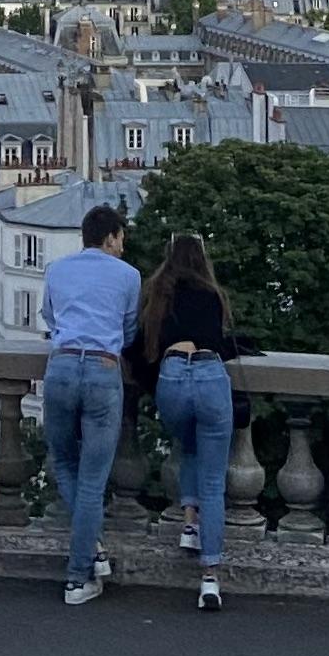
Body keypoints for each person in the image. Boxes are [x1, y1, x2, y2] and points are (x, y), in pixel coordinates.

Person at [43, 202, 141, 604]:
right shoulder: (129, 275)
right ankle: (78, 575)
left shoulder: (56, 270)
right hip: (103, 371)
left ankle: (93, 547)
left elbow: (50, 318)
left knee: (64, 462)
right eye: (121, 239)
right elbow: (129, 328)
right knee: (93, 481)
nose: (122, 246)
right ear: (110, 237)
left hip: (61, 367)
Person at [136, 231, 238, 612]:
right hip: (210, 375)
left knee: (189, 443)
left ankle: (190, 521)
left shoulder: (158, 295)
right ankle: (209, 580)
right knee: (214, 482)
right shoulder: (213, 295)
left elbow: (145, 346)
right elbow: (219, 340)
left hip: (173, 378)